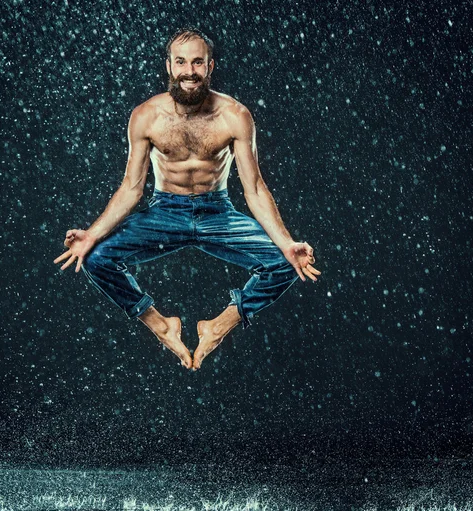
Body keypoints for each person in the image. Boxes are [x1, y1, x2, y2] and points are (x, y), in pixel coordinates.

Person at [54, 27, 321, 370]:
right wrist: (91, 234)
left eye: (198, 62)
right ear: (169, 66)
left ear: (210, 67)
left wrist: (286, 242)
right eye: (181, 62)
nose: (189, 71)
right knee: (95, 257)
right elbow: (132, 188)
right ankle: (160, 324)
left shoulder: (235, 116)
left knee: (289, 262)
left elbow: (253, 188)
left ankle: (219, 325)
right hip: (165, 211)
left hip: (217, 213)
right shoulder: (146, 116)